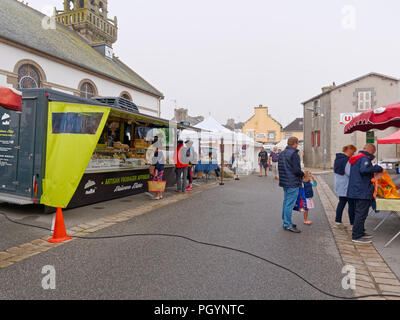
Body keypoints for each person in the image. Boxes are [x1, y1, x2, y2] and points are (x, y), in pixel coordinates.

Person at [347, 144, 383, 244]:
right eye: (373, 152)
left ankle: (360, 232)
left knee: (360, 212)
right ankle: (356, 236)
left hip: (356, 190)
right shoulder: (364, 158)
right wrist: (376, 168)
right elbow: (364, 170)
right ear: (371, 151)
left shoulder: (357, 158)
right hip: (362, 191)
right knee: (361, 213)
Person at [278, 137, 304, 233]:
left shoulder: (282, 153)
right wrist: (303, 174)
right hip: (292, 181)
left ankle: (286, 221)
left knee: (286, 202)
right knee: (289, 203)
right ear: (295, 143)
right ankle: (287, 224)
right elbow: (296, 170)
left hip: (285, 181)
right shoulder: (294, 154)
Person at [334, 145, 357, 226]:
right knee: (351, 204)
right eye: (353, 152)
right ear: (349, 150)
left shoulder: (338, 158)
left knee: (341, 202)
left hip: (339, 184)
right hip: (346, 185)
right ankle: (352, 223)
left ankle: (338, 220)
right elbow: (349, 172)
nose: (353, 154)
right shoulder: (347, 160)